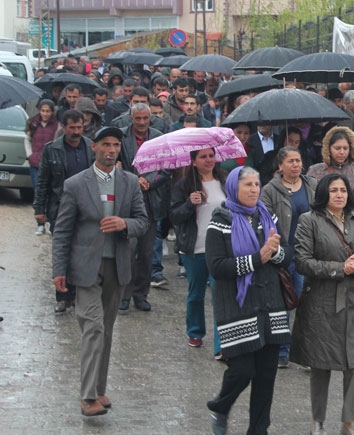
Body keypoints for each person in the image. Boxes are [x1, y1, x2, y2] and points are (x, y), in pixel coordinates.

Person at [50, 127, 149, 416]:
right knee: (92, 327)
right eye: (105, 144)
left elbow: (143, 222)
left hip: (117, 265)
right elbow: (63, 229)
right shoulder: (76, 184)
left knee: (106, 330)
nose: (111, 150)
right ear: (94, 147)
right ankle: (87, 396)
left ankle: (99, 389)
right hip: (85, 268)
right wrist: (59, 269)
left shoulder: (130, 183)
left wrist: (124, 224)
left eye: (116, 145)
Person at [205, 166, 292, 435]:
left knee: (266, 376)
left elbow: (287, 256)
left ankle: (258, 429)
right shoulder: (221, 218)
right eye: (248, 185)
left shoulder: (268, 215)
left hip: (269, 305)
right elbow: (217, 267)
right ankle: (220, 406)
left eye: (257, 184)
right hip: (237, 306)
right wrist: (259, 258)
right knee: (242, 370)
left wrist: (274, 253)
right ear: (234, 188)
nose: (255, 190)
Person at [292, 173, 354, 435]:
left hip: (351, 302)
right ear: (324, 193)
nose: (340, 194)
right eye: (334, 190)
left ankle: (349, 421)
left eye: (344, 190)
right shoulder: (309, 221)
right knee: (321, 364)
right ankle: (318, 420)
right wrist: (341, 268)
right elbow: (303, 261)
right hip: (321, 302)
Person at [261, 146, 318, 368]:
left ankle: (306, 353)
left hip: (308, 252)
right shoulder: (270, 190)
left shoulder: (311, 184)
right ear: (281, 165)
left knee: (307, 303)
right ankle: (282, 349)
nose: (296, 164)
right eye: (291, 161)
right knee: (283, 302)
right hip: (284, 254)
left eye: (298, 160)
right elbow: (265, 219)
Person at [34, 109, 94, 314]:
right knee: (62, 251)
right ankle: (62, 296)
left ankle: (77, 293)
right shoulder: (52, 149)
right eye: (73, 128)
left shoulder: (90, 147)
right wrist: (39, 209)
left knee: (82, 251)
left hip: (86, 208)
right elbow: (43, 181)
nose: (77, 131)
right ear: (64, 127)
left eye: (80, 127)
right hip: (60, 208)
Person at [169, 148, 226, 354]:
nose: (209, 160)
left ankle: (221, 344)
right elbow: (173, 216)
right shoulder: (183, 185)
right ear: (193, 161)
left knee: (220, 295)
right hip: (194, 247)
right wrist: (189, 204)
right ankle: (195, 331)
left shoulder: (225, 181)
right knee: (196, 294)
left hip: (220, 249)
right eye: (203, 157)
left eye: (211, 156)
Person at [116, 103, 166, 313]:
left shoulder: (158, 136)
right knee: (128, 251)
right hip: (127, 202)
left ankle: (141, 294)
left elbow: (166, 167)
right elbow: (116, 166)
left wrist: (149, 181)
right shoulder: (121, 137)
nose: (142, 123)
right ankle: (124, 294)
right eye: (138, 119)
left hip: (151, 202)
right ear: (131, 118)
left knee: (146, 253)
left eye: (146, 118)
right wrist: (134, 180)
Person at [306, 126, 354, 247]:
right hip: (325, 226)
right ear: (328, 148)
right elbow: (310, 200)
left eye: (345, 148)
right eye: (337, 148)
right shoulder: (315, 170)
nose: (342, 152)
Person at [25, 99, 60, 234]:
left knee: (51, 193)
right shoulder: (33, 123)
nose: (45, 114)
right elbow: (27, 139)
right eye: (43, 111)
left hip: (51, 164)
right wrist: (30, 155)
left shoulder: (57, 125)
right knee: (38, 192)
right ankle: (39, 223)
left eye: (48, 111)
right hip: (35, 164)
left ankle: (51, 221)